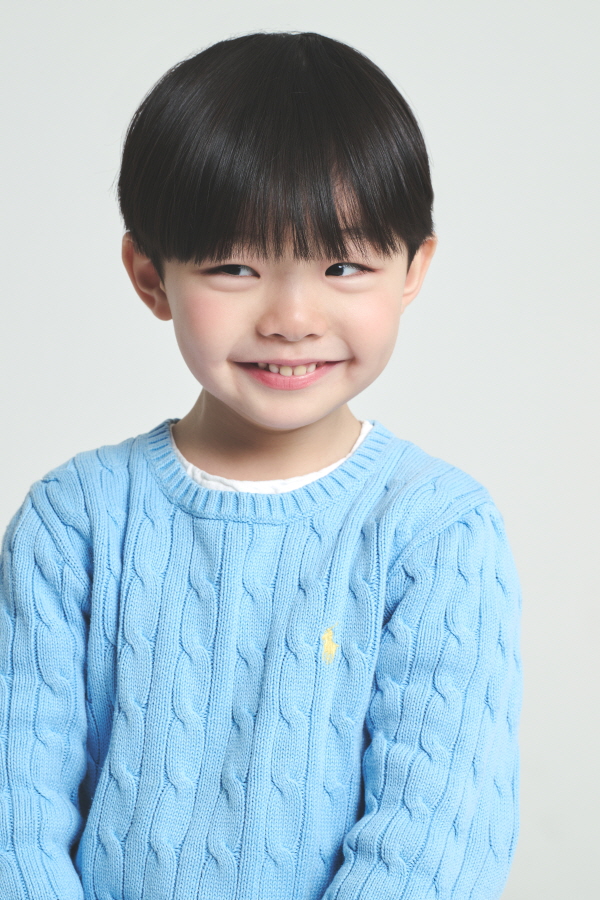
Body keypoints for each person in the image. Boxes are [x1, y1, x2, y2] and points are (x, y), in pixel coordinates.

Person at [0, 31, 522, 900]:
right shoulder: (75, 520)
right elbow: (15, 817)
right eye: (235, 266)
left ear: (412, 269)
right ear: (149, 276)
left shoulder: (437, 532)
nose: (291, 317)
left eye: (344, 265)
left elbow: (433, 845)